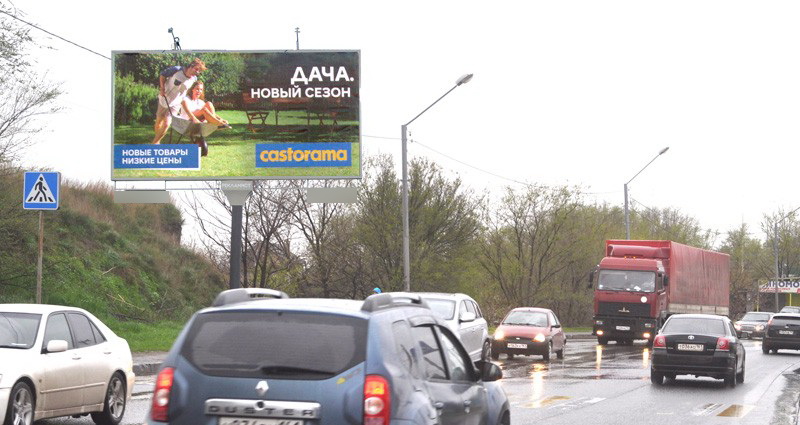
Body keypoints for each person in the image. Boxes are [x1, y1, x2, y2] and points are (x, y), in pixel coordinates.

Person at [152, 58, 207, 144]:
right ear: (191, 66)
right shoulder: (176, 70)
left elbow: (187, 91)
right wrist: (162, 88)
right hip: (164, 98)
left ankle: (154, 144)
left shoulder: (194, 79)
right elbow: (162, 75)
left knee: (167, 124)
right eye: (196, 69)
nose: (197, 72)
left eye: (199, 71)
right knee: (159, 121)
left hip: (176, 103)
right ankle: (157, 141)